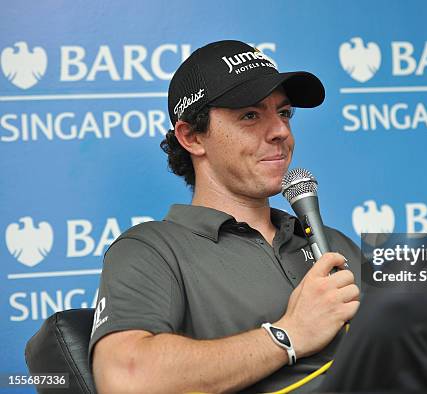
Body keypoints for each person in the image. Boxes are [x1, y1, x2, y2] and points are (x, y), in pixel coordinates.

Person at [89, 40, 361, 393]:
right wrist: (288, 335)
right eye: (250, 115)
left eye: (284, 113)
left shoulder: (333, 242)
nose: (281, 131)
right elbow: (127, 379)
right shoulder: (150, 250)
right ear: (191, 136)